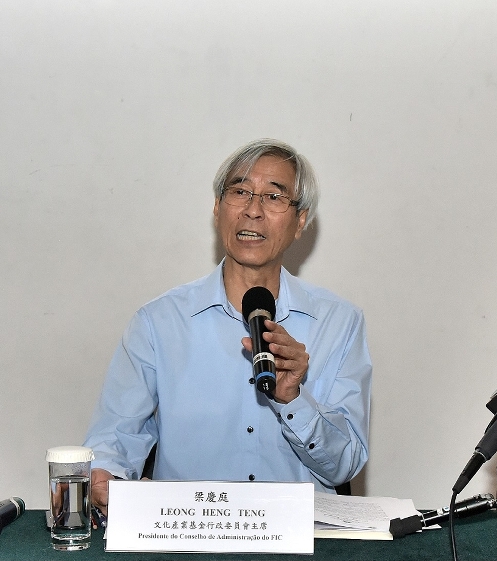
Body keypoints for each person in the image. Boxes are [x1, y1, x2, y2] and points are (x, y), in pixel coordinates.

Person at [84, 139, 372, 517]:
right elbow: (113, 440)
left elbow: (345, 466)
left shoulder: (339, 323)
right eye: (240, 192)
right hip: (189, 537)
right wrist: (105, 478)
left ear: (300, 221)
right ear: (218, 208)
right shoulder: (159, 323)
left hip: (300, 542)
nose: (253, 210)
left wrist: (293, 399)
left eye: (273, 197)